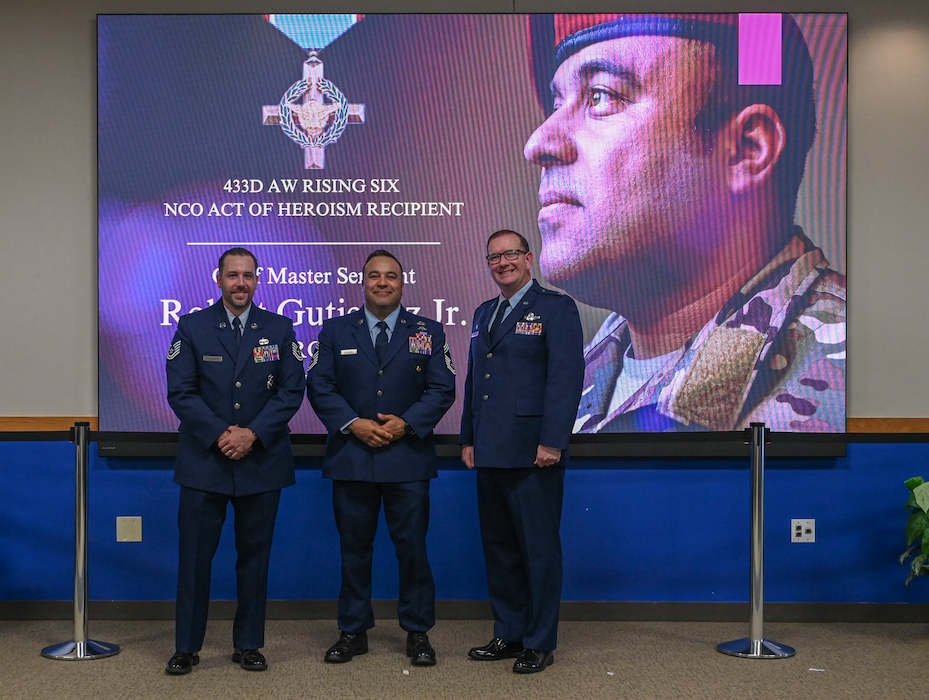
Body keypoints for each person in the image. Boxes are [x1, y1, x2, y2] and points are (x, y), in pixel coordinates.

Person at [524, 14, 846, 433]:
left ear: (748, 150)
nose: (539, 143)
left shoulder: (852, 374)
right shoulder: (567, 382)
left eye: (601, 96)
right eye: (556, 104)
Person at [307, 249, 455, 667]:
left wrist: (404, 424)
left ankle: (418, 632)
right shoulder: (335, 330)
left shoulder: (427, 330)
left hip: (407, 457)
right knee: (354, 550)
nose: (383, 283)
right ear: (364, 282)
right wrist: (352, 423)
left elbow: (443, 389)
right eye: (375, 276)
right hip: (352, 457)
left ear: (402, 283)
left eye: (391, 276)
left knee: (412, 550)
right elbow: (319, 385)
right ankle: (353, 631)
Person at [164, 247, 305, 674]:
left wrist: (253, 433)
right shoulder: (191, 326)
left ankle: (248, 644)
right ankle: (187, 647)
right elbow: (181, 391)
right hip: (204, 462)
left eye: (248, 276)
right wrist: (222, 434)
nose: (240, 283)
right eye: (232, 275)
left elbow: (290, 391)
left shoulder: (280, 328)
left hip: (262, 460)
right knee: (193, 561)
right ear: (218, 279)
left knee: (255, 560)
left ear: (258, 280)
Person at [460, 229, 585, 674]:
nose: (503, 262)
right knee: (500, 548)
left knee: (538, 550)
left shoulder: (556, 307)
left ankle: (539, 640)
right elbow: (477, 382)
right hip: (490, 449)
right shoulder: (484, 313)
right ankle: (508, 632)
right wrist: (468, 438)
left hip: (535, 453)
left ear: (529, 259)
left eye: (511, 254)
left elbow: (566, 379)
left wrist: (553, 440)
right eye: (494, 257)